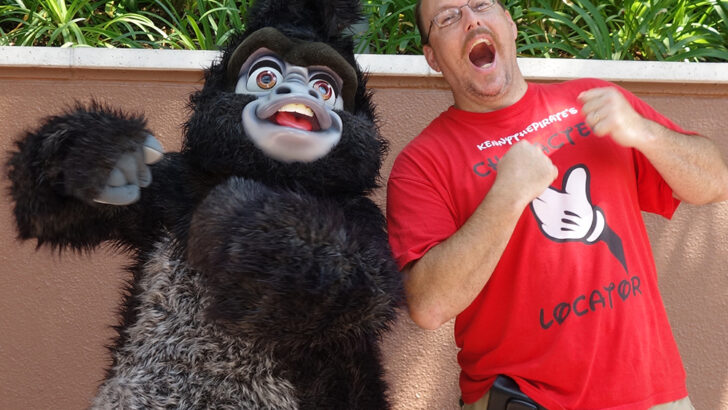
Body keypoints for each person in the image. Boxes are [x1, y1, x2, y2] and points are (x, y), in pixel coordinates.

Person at [385, 0, 728, 409]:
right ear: (432, 57)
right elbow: (427, 305)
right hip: (527, 402)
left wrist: (644, 133)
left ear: (510, 25)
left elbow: (715, 182)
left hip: (654, 396)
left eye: (481, 5)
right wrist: (507, 195)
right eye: (447, 18)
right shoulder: (422, 164)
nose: (471, 19)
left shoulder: (591, 100)